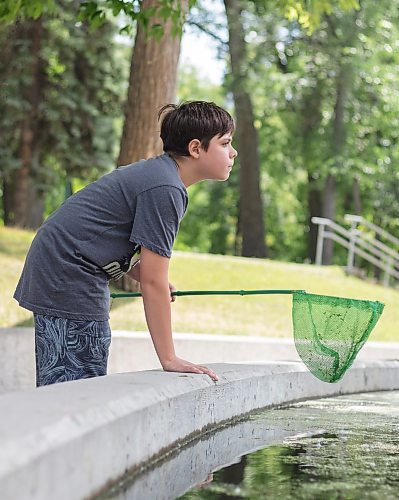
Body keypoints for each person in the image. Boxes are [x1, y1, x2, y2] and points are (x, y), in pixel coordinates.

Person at [14, 100, 238, 387]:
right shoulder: (165, 188)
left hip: (59, 267)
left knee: (73, 386)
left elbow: (108, 234)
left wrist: (139, 271)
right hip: (68, 273)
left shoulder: (161, 177)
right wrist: (169, 359)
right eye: (225, 143)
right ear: (196, 148)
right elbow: (154, 283)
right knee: (76, 392)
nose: (233, 152)